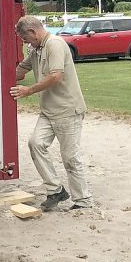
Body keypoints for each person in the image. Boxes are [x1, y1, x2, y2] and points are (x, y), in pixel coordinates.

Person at [10, 16, 93, 211]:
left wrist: (28, 90)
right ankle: (55, 190)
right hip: (48, 110)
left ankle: (83, 201)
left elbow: (56, 77)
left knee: (70, 157)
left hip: (67, 110)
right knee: (36, 144)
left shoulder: (54, 45)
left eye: (25, 39)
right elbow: (21, 69)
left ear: (33, 32)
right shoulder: (35, 48)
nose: (26, 43)